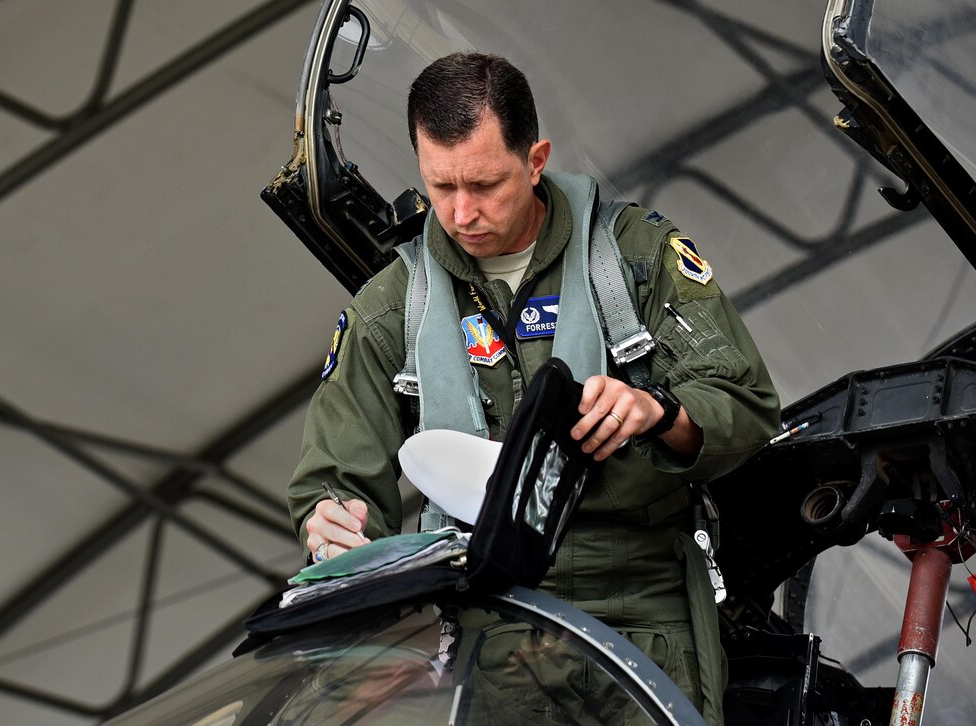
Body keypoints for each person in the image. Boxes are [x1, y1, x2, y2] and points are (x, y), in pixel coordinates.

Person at [288, 52, 780, 723]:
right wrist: (333, 525)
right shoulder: (392, 309)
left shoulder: (632, 261)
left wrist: (657, 411)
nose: (462, 212)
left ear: (536, 158)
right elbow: (337, 480)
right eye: (442, 186)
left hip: (640, 608)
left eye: (486, 184)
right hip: (489, 625)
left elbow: (745, 407)